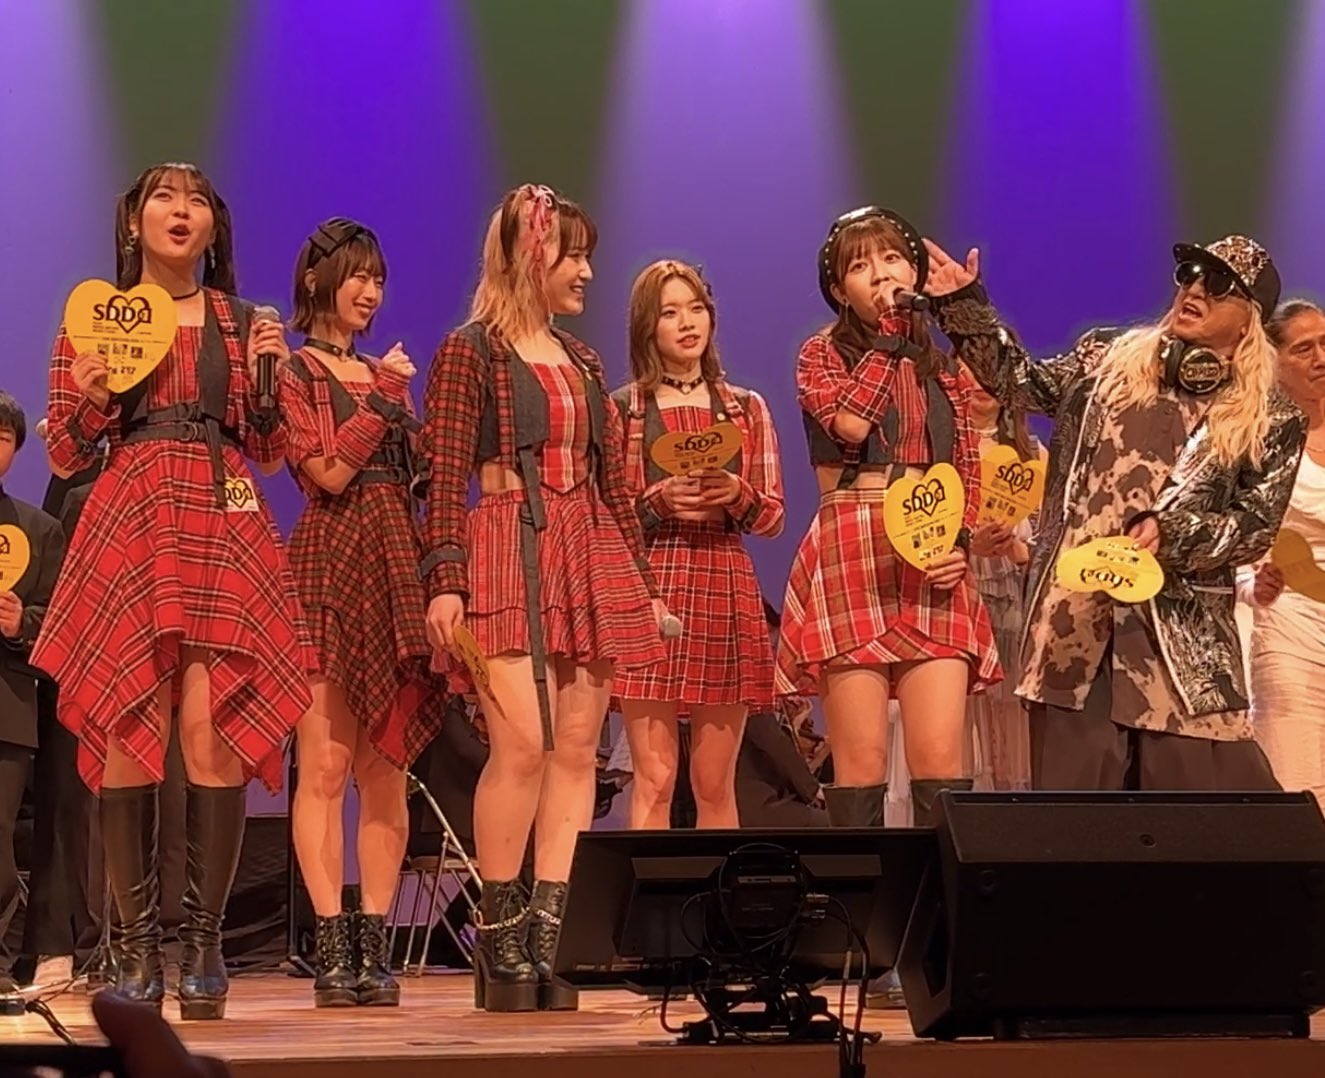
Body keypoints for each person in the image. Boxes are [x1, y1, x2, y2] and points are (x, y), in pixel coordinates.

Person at [32, 162, 316, 1019]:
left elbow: (270, 450)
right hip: (133, 508)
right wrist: (90, 401)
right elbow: (67, 455)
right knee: (129, 723)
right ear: (134, 222)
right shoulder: (96, 317)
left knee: (211, 729)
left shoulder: (241, 320)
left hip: (221, 508)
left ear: (213, 227)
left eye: (195, 199)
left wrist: (270, 378)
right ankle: (134, 949)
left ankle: (203, 945)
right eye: (163, 196)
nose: (180, 210)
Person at [928, 233, 1301, 790]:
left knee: (1192, 826)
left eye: (1218, 284)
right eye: (1190, 275)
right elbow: (1019, 382)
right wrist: (965, 308)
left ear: (1250, 316)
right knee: (1077, 824)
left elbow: (1252, 529)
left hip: (1180, 650)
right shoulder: (1104, 357)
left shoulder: (1272, 415)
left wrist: (1171, 532)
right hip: (1073, 633)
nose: (1195, 289)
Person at [420, 184, 668, 1012]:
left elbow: (615, 485)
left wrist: (641, 584)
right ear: (531, 255)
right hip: (504, 541)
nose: (587, 271)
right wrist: (446, 578)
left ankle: (548, 936)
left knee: (575, 752)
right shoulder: (471, 351)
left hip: (584, 547)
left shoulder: (585, 361)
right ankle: (498, 935)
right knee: (521, 745)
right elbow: (442, 476)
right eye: (573, 255)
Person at [776, 206, 1001, 832]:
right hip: (855, 545)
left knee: (940, 761)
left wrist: (960, 542)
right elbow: (851, 423)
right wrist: (891, 337)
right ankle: (864, 897)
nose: (880, 273)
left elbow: (966, 463)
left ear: (915, 271)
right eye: (860, 265)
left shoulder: (944, 370)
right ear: (838, 288)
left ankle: (940, 897)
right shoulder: (821, 354)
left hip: (931, 550)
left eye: (892, 258)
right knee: (863, 763)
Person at [279, 217, 446, 1008]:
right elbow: (326, 472)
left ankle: (374, 942)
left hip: (393, 567)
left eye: (378, 278)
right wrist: (382, 398)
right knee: (325, 764)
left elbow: (415, 479)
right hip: (326, 563)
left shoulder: (385, 377)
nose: (371, 291)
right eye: (357, 274)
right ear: (318, 280)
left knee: (386, 766)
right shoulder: (295, 371)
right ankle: (330, 942)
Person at [612, 260, 785, 829]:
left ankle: (717, 890)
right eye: (669, 312)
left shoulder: (745, 408)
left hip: (722, 580)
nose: (687, 323)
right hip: (651, 586)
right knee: (655, 777)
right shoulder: (625, 410)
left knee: (714, 782)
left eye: (696, 309)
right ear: (647, 327)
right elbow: (607, 518)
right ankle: (646, 891)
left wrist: (736, 493)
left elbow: (772, 517)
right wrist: (658, 500)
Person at [1241, 300, 1325, 808]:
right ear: (1275, 361)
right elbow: (1230, 543)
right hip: (1291, 627)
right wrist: (1252, 587)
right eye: (1304, 348)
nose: (1321, 358)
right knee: (1302, 790)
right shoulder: (1258, 439)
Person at [0, 392, 65, 997]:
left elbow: (61, 622)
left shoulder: (39, 529)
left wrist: (24, 623)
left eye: (2, 437)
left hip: (9, 704)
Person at [964, 373, 1038, 790]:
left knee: (1011, 720)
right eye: (968, 367)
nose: (979, 381)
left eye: (988, 370)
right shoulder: (937, 453)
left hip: (1012, 602)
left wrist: (1018, 550)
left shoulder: (1034, 456)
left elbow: (1055, 539)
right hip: (956, 595)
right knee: (958, 724)